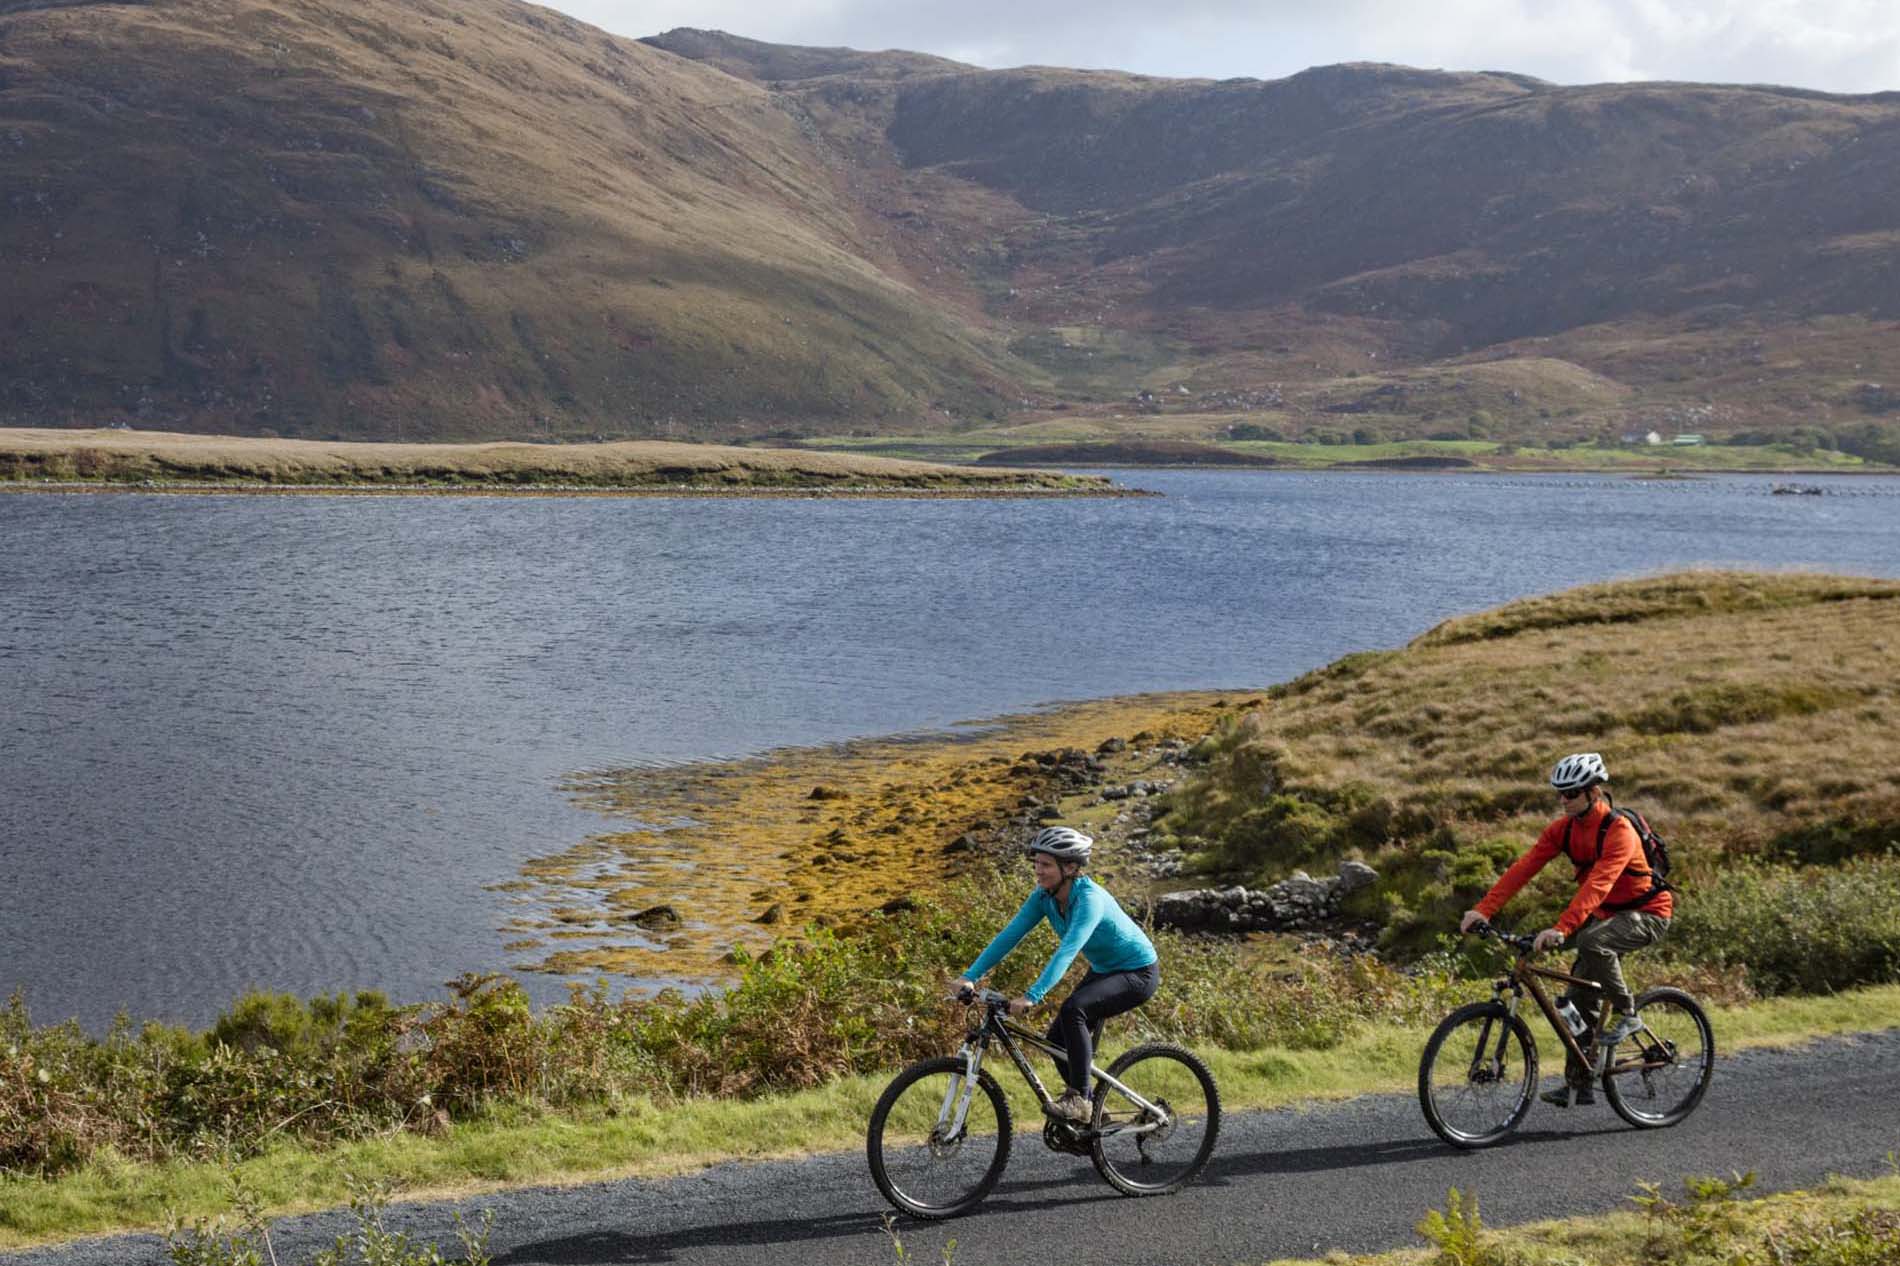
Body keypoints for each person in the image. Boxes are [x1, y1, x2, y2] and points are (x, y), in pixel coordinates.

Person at [1459, 752, 1674, 1108]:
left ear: (1593, 792)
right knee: (1576, 1000)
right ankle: (1581, 1081)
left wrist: (1562, 928)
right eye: (1559, 793)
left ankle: (1629, 1015)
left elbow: (1599, 884)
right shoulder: (1564, 830)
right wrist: (1483, 910)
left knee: (1592, 941)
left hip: (1648, 912)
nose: (1563, 800)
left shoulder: (1620, 830)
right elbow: (1524, 868)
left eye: (1570, 793)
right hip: (1607, 915)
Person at [955, 825, 1160, 1124]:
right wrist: (970, 975)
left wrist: (1032, 996)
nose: (1038, 871)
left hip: (1138, 972)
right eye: (1036, 863)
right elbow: (1010, 935)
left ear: (1071, 867)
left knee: (1074, 1009)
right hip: (1105, 970)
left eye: (1046, 865)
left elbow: (1068, 950)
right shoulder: (1044, 897)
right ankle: (1093, 1118)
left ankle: (1080, 1100)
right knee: (1056, 1041)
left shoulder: (1089, 900)